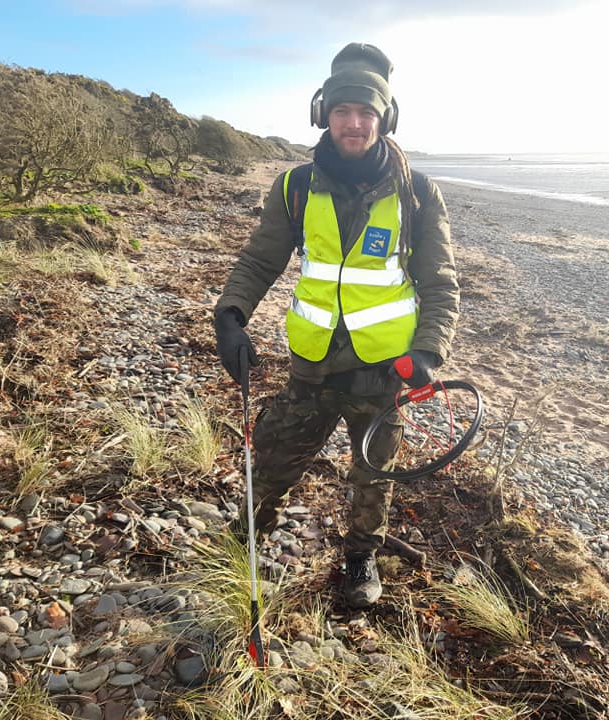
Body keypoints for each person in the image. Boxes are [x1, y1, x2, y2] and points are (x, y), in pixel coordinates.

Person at [213, 42, 459, 607]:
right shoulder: (294, 187)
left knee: (374, 476)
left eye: (366, 113)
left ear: (385, 118)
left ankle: (359, 558)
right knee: (272, 460)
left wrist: (428, 353)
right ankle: (246, 537)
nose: (354, 123)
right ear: (323, 112)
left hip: (383, 370)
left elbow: (441, 283)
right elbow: (259, 260)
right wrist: (231, 317)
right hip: (313, 366)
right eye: (344, 111)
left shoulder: (418, 193)